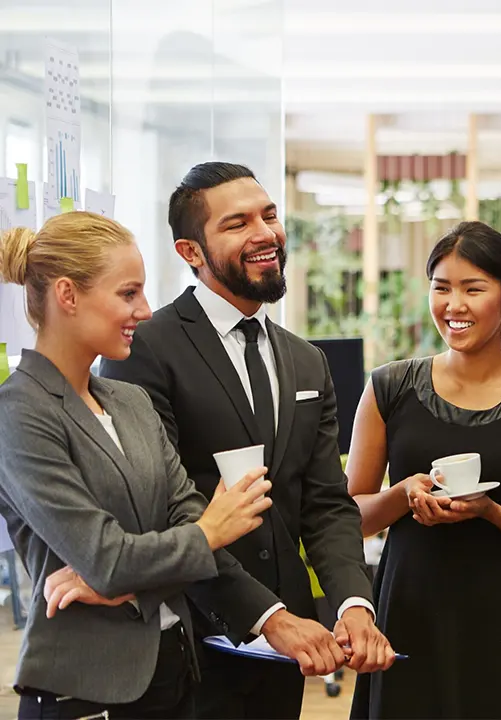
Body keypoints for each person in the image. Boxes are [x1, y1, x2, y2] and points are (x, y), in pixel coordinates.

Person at [0, 213, 330, 719]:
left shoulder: (129, 401)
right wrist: (207, 533)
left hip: (175, 677)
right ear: (67, 295)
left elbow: (164, 528)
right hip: (85, 692)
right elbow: (108, 557)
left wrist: (132, 574)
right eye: (128, 294)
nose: (146, 311)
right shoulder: (18, 412)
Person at [99, 162, 393, 720]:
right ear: (191, 251)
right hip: (188, 645)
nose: (265, 233)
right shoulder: (145, 350)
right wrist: (268, 617)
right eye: (237, 224)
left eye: (269, 215)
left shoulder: (307, 361)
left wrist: (354, 603)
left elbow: (326, 503)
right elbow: (160, 511)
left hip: (284, 659)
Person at [347, 221, 501, 719]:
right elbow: (349, 519)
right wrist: (402, 494)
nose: (454, 305)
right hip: (408, 609)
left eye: (474, 289)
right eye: (442, 288)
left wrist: (490, 512)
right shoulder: (389, 388)